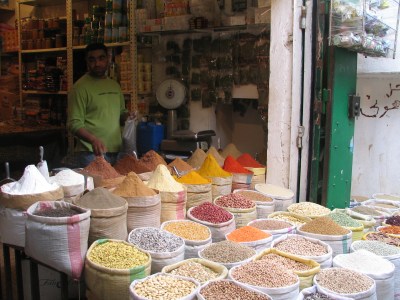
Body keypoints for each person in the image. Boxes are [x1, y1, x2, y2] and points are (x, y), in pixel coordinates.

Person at [67, 43, 131, 167]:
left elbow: (121, 114)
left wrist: (129, 117)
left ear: (108, 58)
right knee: (94, 187)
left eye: (101, 58)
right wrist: (93, 140)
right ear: (86, 61)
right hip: (90, 154)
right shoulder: (79, 88)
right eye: (92, 59)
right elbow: (73, 124)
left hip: (116, 152)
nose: (97, 64)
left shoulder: (115, 86)